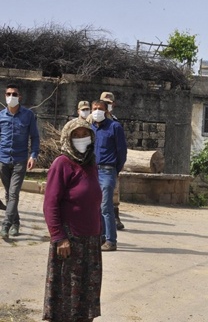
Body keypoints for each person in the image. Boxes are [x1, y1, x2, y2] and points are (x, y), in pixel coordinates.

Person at [43, 118, 102, 321]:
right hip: (69, 241)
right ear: (67, 138)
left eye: (84, 134)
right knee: (66, 298)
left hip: (91, 241)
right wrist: (59, 237)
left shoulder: (91, 163)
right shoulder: (62, 164)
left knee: (86, 298)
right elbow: (50, 203)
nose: (80, 139)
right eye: (75, 135)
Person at [0, 84, 40, 238]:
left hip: (20, 160)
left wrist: (33, 155)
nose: (11, 97)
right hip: (3, 159)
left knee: (14, 193)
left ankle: (6, 225)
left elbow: (35, 137)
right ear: (5, 96)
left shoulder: (28, 115)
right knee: (8, 195)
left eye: (14, 94)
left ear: (20, 97)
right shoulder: (1, 115)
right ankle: (16, 223)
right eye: (8, 94)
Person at [90, 99, 127, 251]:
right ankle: (102, 237)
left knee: (106, 207)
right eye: (94, 108)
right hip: (93, 171)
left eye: (100, 108)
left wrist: (115, 170)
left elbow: (122, 152)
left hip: (107, 171)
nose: (97, 111)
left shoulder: (115, 127)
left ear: (106, 111)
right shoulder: (90, 128)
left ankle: (111, 240)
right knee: (96, 207)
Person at [99, 92, 125, 230]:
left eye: (109, 103)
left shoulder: (115, 122)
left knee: (113, 192)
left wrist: (118, 166)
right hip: (97, 164)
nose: (107, 105)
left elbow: (121, 148)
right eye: (105, 103)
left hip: (111, 164)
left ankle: (115, 217)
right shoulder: (93, 119)